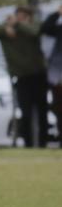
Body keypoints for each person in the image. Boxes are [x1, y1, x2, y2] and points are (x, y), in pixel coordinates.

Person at [0, 4, 49, 147]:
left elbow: (34, 32)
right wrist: (6, 27)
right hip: (22, 77)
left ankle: (43, 143)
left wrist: (18, 24)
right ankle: (28, 144)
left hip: (38, 75)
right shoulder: (7, 30)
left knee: (42, 112)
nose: (20, 18)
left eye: (23, 16)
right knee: (25, 113)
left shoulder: (32, 26)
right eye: (18, 15)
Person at [43, 8, 62, 143]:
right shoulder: (60, 29)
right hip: (58, 74)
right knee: (59, 108)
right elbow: (45, 28)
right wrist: (57, 13)